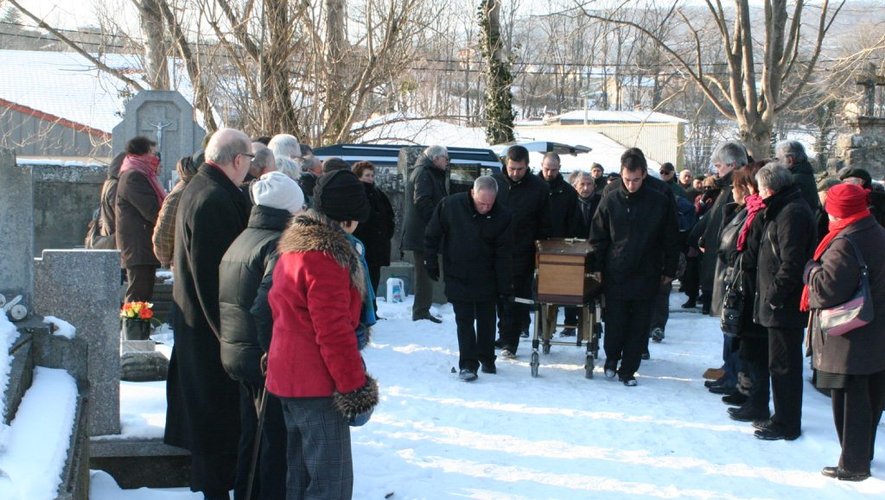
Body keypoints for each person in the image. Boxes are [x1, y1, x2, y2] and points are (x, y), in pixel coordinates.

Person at [265, 169, 378, 499]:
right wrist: (354, 387)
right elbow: (333, 332)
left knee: (299, 479)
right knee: (331, 485)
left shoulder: (294, 249)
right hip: (317, 383)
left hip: (289, 377)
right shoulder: (325, 257)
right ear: (347, 218)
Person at [164, 128, 253, 499]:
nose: (249, 168)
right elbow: (211, 278)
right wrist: (232, 340)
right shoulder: (212, 198)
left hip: (206, 332)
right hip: (210, 335)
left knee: (216, 423)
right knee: (215, 425)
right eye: (248, 159)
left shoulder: (205, 188)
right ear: (236, 160)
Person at [219, 172, 304, 500]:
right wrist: (274, 353)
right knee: (272, 442)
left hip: (238, 351)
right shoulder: (277, 245)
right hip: (262, 356)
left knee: (252, 437)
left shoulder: (244, 237)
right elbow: (263, 306)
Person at [805, 183, 885, 482]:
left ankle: (853, 465)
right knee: (871, 397)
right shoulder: (876, 231)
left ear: (838, 212)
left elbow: (826, 290)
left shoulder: (845, 242)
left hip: (851, 335)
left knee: (850, 401)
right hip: (876, 331)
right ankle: (863, 454)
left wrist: (811, 270)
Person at [589, 149, 679, 386]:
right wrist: (597, 266)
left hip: (647, 271)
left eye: (636, 180)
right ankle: (611, 359)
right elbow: (598, 236)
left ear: (644, 175)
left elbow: (670, 237)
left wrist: (670, 270)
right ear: (621, 174)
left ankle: (628, 369)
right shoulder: (609, 199)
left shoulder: (659, 200)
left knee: (639, 324)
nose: (631, 185)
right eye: (627, 179)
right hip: (616, 270)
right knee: (615, 320)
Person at [752, 163, 816, 441]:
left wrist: (774, 296)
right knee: (779, 364)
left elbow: (791, 262)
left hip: (785, 305)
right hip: (778, 303)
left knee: (785, 365)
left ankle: (787, 423)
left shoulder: (791, 212)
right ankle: (781, 417)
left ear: (769, 188)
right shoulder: (785, 207)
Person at [425, 176, 512, 380]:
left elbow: (505, 252)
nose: (486, 208)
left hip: (487, 275)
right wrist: (430, 260)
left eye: (490, 204)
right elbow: (432, 233)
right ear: (473, 193)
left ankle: (487, 357)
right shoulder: (450, 205)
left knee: (487, 318)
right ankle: (468, 364)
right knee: (464, 320)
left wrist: (505, 285)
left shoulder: (503, 215)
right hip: (458, 271)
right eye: (482, 203)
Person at [493, 145, 552, 357]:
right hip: (497, 249)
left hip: (523, 251)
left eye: (520, 169)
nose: (515, 173)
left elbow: (545, 223)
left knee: (517, 298)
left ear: (527, 166)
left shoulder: (538, 188)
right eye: (512, 168)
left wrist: (539, 251)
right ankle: (503, 334)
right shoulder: (495, 182)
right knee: (499, 296)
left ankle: (512, 341)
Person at [115, 136, 166, 304]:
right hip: (137, 246)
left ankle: (139, 327)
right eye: (152, 152)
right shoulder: (133, 176)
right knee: (138, 294)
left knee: (143, 292)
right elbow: (151, 210)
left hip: (142, 245)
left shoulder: (140, 173)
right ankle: (133, 328)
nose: (156, 157)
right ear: (142, 154)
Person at [401, 145, 449, 323]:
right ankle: (421, 312)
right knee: (424, 272)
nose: (447, 161)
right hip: (423, 233)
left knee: (426, 272)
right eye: (445, 158)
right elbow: (422, 201)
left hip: (424, 231)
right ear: (436, 158)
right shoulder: (424, 173)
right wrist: (437, 221)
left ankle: (423, 309)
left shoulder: (428, 172)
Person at [352, 161, 396, 312]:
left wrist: (386, 234)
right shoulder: (357, 194)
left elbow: (389, 216)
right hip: (364, 244)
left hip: (377, 245)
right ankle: (365, 310)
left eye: (372, 175)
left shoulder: (378, 194)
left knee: (374, 279)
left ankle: (372, 309)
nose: (370, 178)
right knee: (363, 279)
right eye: (367, 175)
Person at [153, 155, 199, 268]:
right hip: (186, 263)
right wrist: (169, 260)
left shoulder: (186, 188)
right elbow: (164, 232)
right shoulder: (181, 192)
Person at [774, 140, 819, 211]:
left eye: (777, 159)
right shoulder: (804, 174)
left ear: (790, 160)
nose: (776, 163)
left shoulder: (794, 180)